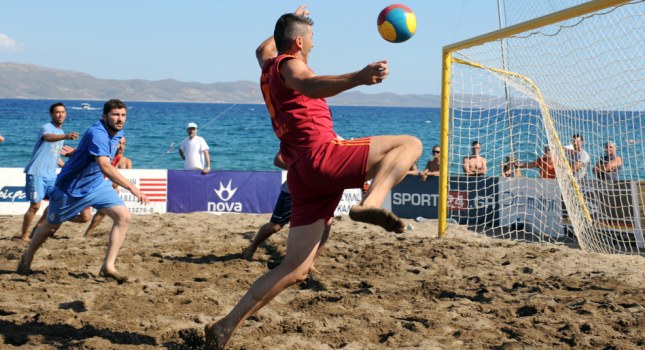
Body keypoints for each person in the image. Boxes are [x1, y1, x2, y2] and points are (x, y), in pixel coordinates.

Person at [204, 6, 422, 349]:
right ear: (300, 41)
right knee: (410, 144)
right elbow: (310, 84)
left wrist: (290, 18)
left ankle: (225, 325)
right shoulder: (290, 64)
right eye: (312, 39)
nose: (314, 45)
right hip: (322, 156)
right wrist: (359, 78)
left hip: (303, 175)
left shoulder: (268, 66)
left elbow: (262, 50)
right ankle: (372, 202)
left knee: (295, 268)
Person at [17, 99, 149, 283]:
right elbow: (105, 166)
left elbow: (96, 153)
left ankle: (108, 266)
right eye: (115, 115)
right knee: (50, 227)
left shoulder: (118, 133)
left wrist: (78, 153)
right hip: (70, 188)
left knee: (124, 217)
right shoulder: (98, 133)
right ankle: (27, 256)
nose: (120, 119)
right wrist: (133, 187)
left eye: (123, 115)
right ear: (104, 116)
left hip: (96, 185)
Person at [17, 102, 80, 242]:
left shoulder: (62, 132)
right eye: (57, 112)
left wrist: (66, 167)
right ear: (51, 114)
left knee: (55, 202)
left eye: (63, 112)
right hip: (37, 172)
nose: (61, 114)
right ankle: (24, 236)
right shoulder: (47, 128)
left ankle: (38, 228)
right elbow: (47, 138)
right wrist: (65, 137)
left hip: (51, 175)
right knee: (35, 206)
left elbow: (55, 155)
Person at [84, 136, 133, 237]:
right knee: (83, 218)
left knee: (103, 212)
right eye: (119, 143)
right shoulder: (102, 156)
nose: (121, 147)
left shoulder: (124, 160)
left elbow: (119, 180)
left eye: (124, 144)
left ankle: (88, 233)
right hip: (86, 187)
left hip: (102, 189)